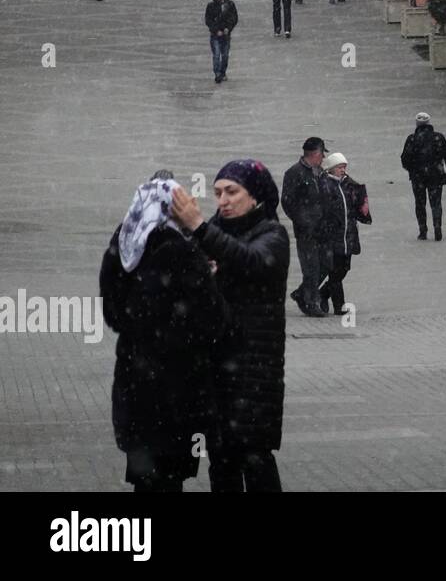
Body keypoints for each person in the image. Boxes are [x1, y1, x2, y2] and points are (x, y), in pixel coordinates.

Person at [100, 173, 228, 492]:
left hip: (134, 378)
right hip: (175, 386)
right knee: (169, 476)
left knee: (145, 474)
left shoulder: (123, 244)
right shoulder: (181, 251)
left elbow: (113, 314)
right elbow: (213, 320)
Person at [170, 160, 291, 492]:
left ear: (255, 196)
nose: (222, 200)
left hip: (254, 374)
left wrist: (197, 226)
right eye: (218, 192)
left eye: (232, 192)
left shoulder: (272, 234)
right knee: (221, 463)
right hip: (215, 371)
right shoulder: (212, 230)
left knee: (255, 459)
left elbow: (249, 260)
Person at [317, 152, 371, 315]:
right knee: (335, 271)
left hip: (349, 235)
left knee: (343, 270)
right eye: (339, 167)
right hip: (334, 236)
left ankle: (322, 294)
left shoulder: (348, 185)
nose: (342, 170)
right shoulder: (325, 185)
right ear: (331, 169)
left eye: (344, 167)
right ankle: (338, 305)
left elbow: (356, 207)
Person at [282, 138, 329, 317]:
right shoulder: (294, 173)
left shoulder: (320, 172)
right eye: (322, 153)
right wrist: (303, 221)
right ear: (315, 153)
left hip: (323, 228)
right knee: (311, 267)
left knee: (327, 263)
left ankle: (302, 293)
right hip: (306, 230)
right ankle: (311, 303)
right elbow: (287, 202)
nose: (324, 157)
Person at [400, 112, 446, 241]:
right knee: (436, 203)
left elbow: (404, 159)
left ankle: (423, 230)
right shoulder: (438, 138)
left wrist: (412, 169)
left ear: (417, 124)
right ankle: (437, 227)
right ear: (429, 123)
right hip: (436, 175)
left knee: (420, 203)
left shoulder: (411, 139)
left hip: (418, 177)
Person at [204, 0, 238, 84]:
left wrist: (228, 28)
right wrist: (216, 30)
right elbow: (208, 20)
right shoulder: (211, 6)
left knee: (225, 56)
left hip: (226, 35)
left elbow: (234, 18)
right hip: (215, 35)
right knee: (216, 55)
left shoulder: (230, 5)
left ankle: (222, 73)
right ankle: (217, 74)